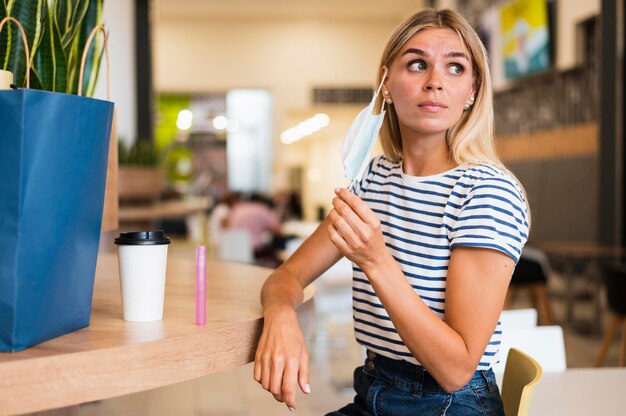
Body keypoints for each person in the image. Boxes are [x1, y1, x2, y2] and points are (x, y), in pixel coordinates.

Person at [253, 8, 530, 416]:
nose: (435, 81)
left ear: (472, 91)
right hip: (373, 390)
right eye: (417, 64)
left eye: (455, 68)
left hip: (451, 404)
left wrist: (376, 259)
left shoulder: (487, 193)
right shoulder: (371, 180)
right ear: (386, 83)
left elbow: (455, 369)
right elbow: (287, 276)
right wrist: (280, 315)